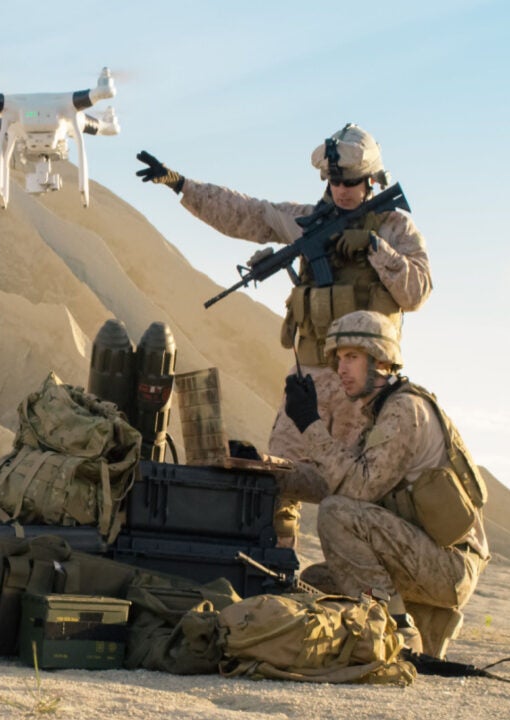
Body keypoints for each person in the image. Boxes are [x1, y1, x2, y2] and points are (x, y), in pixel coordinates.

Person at [136, 123, 432, 545]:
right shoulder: (307, 221)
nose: (342, 191)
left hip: (364, 387)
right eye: (334, 182)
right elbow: (248, 213)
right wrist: (181, 185)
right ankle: (275, 570)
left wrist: (373, 248)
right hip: (309, 377)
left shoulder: (394, 228)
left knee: (357, 493)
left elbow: (417, 291)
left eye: (351, 182)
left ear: (371, 181)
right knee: (274, 481)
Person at [280, 310, 488, 658]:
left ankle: (393, 629)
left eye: (352, 357)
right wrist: (272, 472)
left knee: (336, 514)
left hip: (449, 565)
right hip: (426, 556)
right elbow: (339, 476)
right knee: (317, 584)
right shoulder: (380, 413)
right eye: (338, 359)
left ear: (380, 360)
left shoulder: (403, 410)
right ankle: (421, 624)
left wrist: (309, 423)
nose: (341, 369)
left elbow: (356, 491)